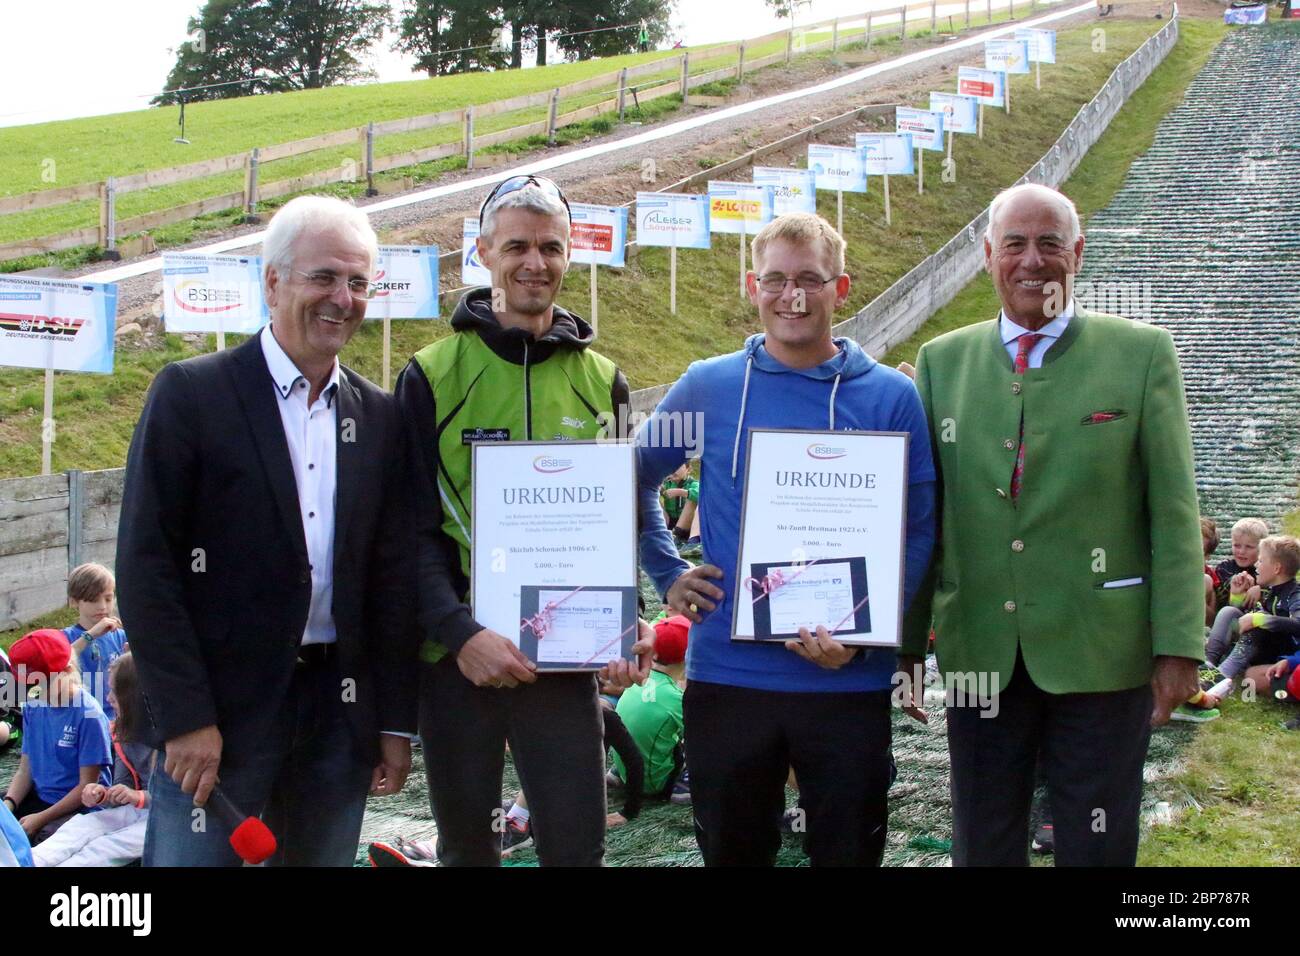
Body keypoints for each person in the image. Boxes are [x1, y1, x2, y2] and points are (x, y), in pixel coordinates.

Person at [905, 182, 1204, 866]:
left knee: (1096, 840)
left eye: (1049, 243)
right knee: (983, 840)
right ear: (988, 255)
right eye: (1014, 244)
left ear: (1078, 252)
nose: (1032, 260)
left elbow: (1174, 511)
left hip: (1103, 651)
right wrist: (905, 648)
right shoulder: (941, 362)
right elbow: (925, 515)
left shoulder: (1142, 353)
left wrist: (1179, 645)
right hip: (980, 651)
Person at [116, 194, 417, 867]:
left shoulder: (379, 417)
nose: (343, 298)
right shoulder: (192, 395)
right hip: (217, 722)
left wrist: (394, 720)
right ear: (273, 282)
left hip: (337, 719)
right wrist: (187, 717)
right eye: (324, 277)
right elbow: (145, 566)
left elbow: (392, 579)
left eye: (358, 282)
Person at [637, 211, 936, 867]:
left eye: (809, 279)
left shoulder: (890, 397)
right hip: (729, 677)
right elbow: (633, 478)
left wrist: (865, 637)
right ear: (753, 286)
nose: (791, 296)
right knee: (733, 853)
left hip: (846, 681)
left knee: (848, 853)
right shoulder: (709, 386)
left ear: (841, 288)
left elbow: (918, 529)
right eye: (775, 279)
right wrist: (667, 573)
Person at [394, 174, 650, 867]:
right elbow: (408, 533)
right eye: (516, 247)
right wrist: (462, 635)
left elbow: (614, 522)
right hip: (456, 661)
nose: (535, 263)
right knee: (468, 852)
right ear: (482, 252)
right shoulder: (430, 375)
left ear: (570, 253)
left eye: (551, 247)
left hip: (562, 663)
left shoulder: (604, 381)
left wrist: (623, 622)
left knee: (576, 850)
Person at [33, 653, 156, 867]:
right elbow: (123, 786)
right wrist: (103, 794)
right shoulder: (122, 732)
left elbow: (178, 797)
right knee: (83, 825)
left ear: (134, 697)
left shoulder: (167, 741)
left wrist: (137, 796)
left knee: (107, 846)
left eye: (115, 692)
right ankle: (28, 861)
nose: (108, 699)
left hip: (171, 815)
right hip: (138, 808)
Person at [2, 630, 112, 844]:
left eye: (42, 685)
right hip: (40, 797)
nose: (36, 692)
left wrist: (40, 819)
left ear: (67, 671)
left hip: (80, 808)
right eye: (30, 687)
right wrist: (9, 804)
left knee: (37, 842)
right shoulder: (34, 706)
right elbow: (26, 769)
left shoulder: (88, 715)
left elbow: (86, 786)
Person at [1201, 534, 1300, 707]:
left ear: (1277, 568)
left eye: (1260, 561)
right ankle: (1209, 662)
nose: (1256, 565)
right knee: (1229, 612)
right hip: (1257, 649)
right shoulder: (1270, 589)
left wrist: (1261, 619)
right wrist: (1237, 597)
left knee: (1258, 628)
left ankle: (1219, 676)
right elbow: (1242, 619)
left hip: (1282, 656)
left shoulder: (1295, 595)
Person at [610, 614, 688, 801]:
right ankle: (683, 785)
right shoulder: (676, 698)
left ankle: (617, 772)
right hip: (653, 784)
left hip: (628, 769)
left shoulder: (637, 678)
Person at [62, 562, 128, 720]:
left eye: (108, 599)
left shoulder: (121, 636)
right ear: (74, 601)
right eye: (93, 600)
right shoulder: (64, 638)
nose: (102, 606)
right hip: (80, 718)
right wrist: (90, 636)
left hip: (117, 718)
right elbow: (61, 663)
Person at [1211, 517, 1268, 611]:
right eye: (1237, 546)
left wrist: (1261, 590)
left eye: (1249, 547)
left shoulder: (1267, 571)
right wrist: (1235, 582)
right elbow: (1218, 600)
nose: (1241, 552)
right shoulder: (1224, 568)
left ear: (1262, 548)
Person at [660, 463, 699, 542]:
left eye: (678, 466)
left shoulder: (693, 483)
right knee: (652, 497)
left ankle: (677, 535)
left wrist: (680, 492)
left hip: (686, 524)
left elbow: (700, 495)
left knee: (692, 499)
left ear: (688, 469)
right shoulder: (666, 484)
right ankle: (660, 529)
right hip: (669, 521)